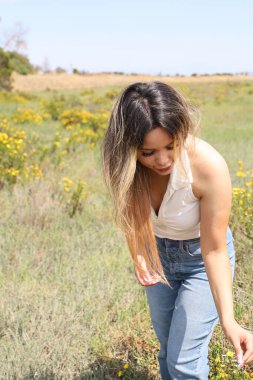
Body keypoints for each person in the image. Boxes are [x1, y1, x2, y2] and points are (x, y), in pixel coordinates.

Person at [101, 81, 253, 379]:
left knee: (184, 361)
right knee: (168, 349)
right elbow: (132, 214)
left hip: (201, 258)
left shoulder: (208, 166)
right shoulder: (125, 166)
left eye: (171, 146)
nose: (162, 160)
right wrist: (140, 255)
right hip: (159, 255)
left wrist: (229, 320)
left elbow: (215, 248)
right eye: (148, 152)